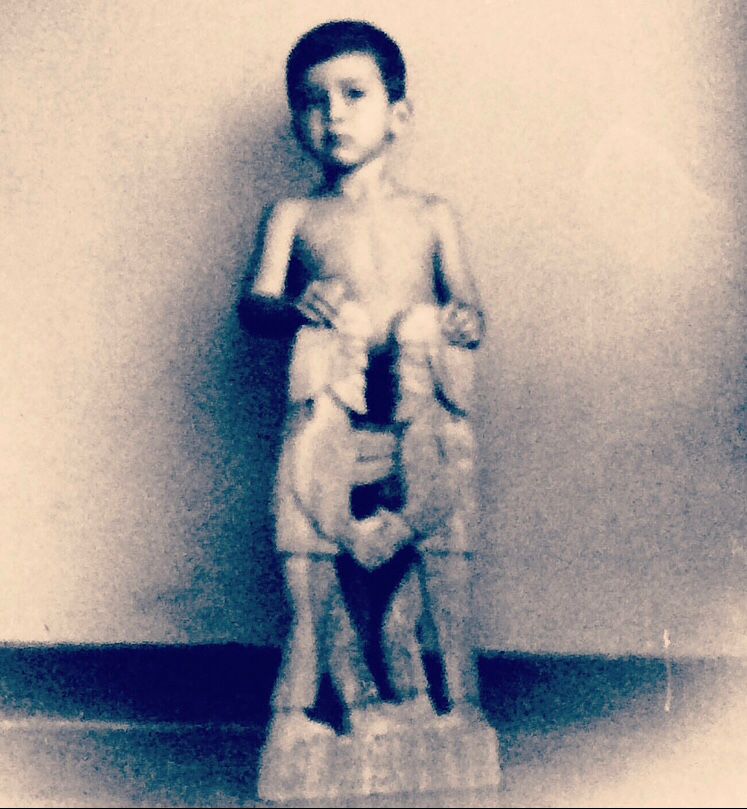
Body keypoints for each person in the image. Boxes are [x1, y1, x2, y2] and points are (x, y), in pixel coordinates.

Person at [238, 20, 486, 745]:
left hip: (417, 410)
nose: (333, 115)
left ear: (398, 114)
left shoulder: (432, 215)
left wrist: (460, 320)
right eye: (312, 101)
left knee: (425, 554)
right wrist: (297, 305)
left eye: (353, 94)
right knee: (323, 563)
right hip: (330, 412)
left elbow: (468, 307)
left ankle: (431, 695)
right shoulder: (293, 215)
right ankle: (346, 696)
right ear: (296, 123)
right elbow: (254, 305)